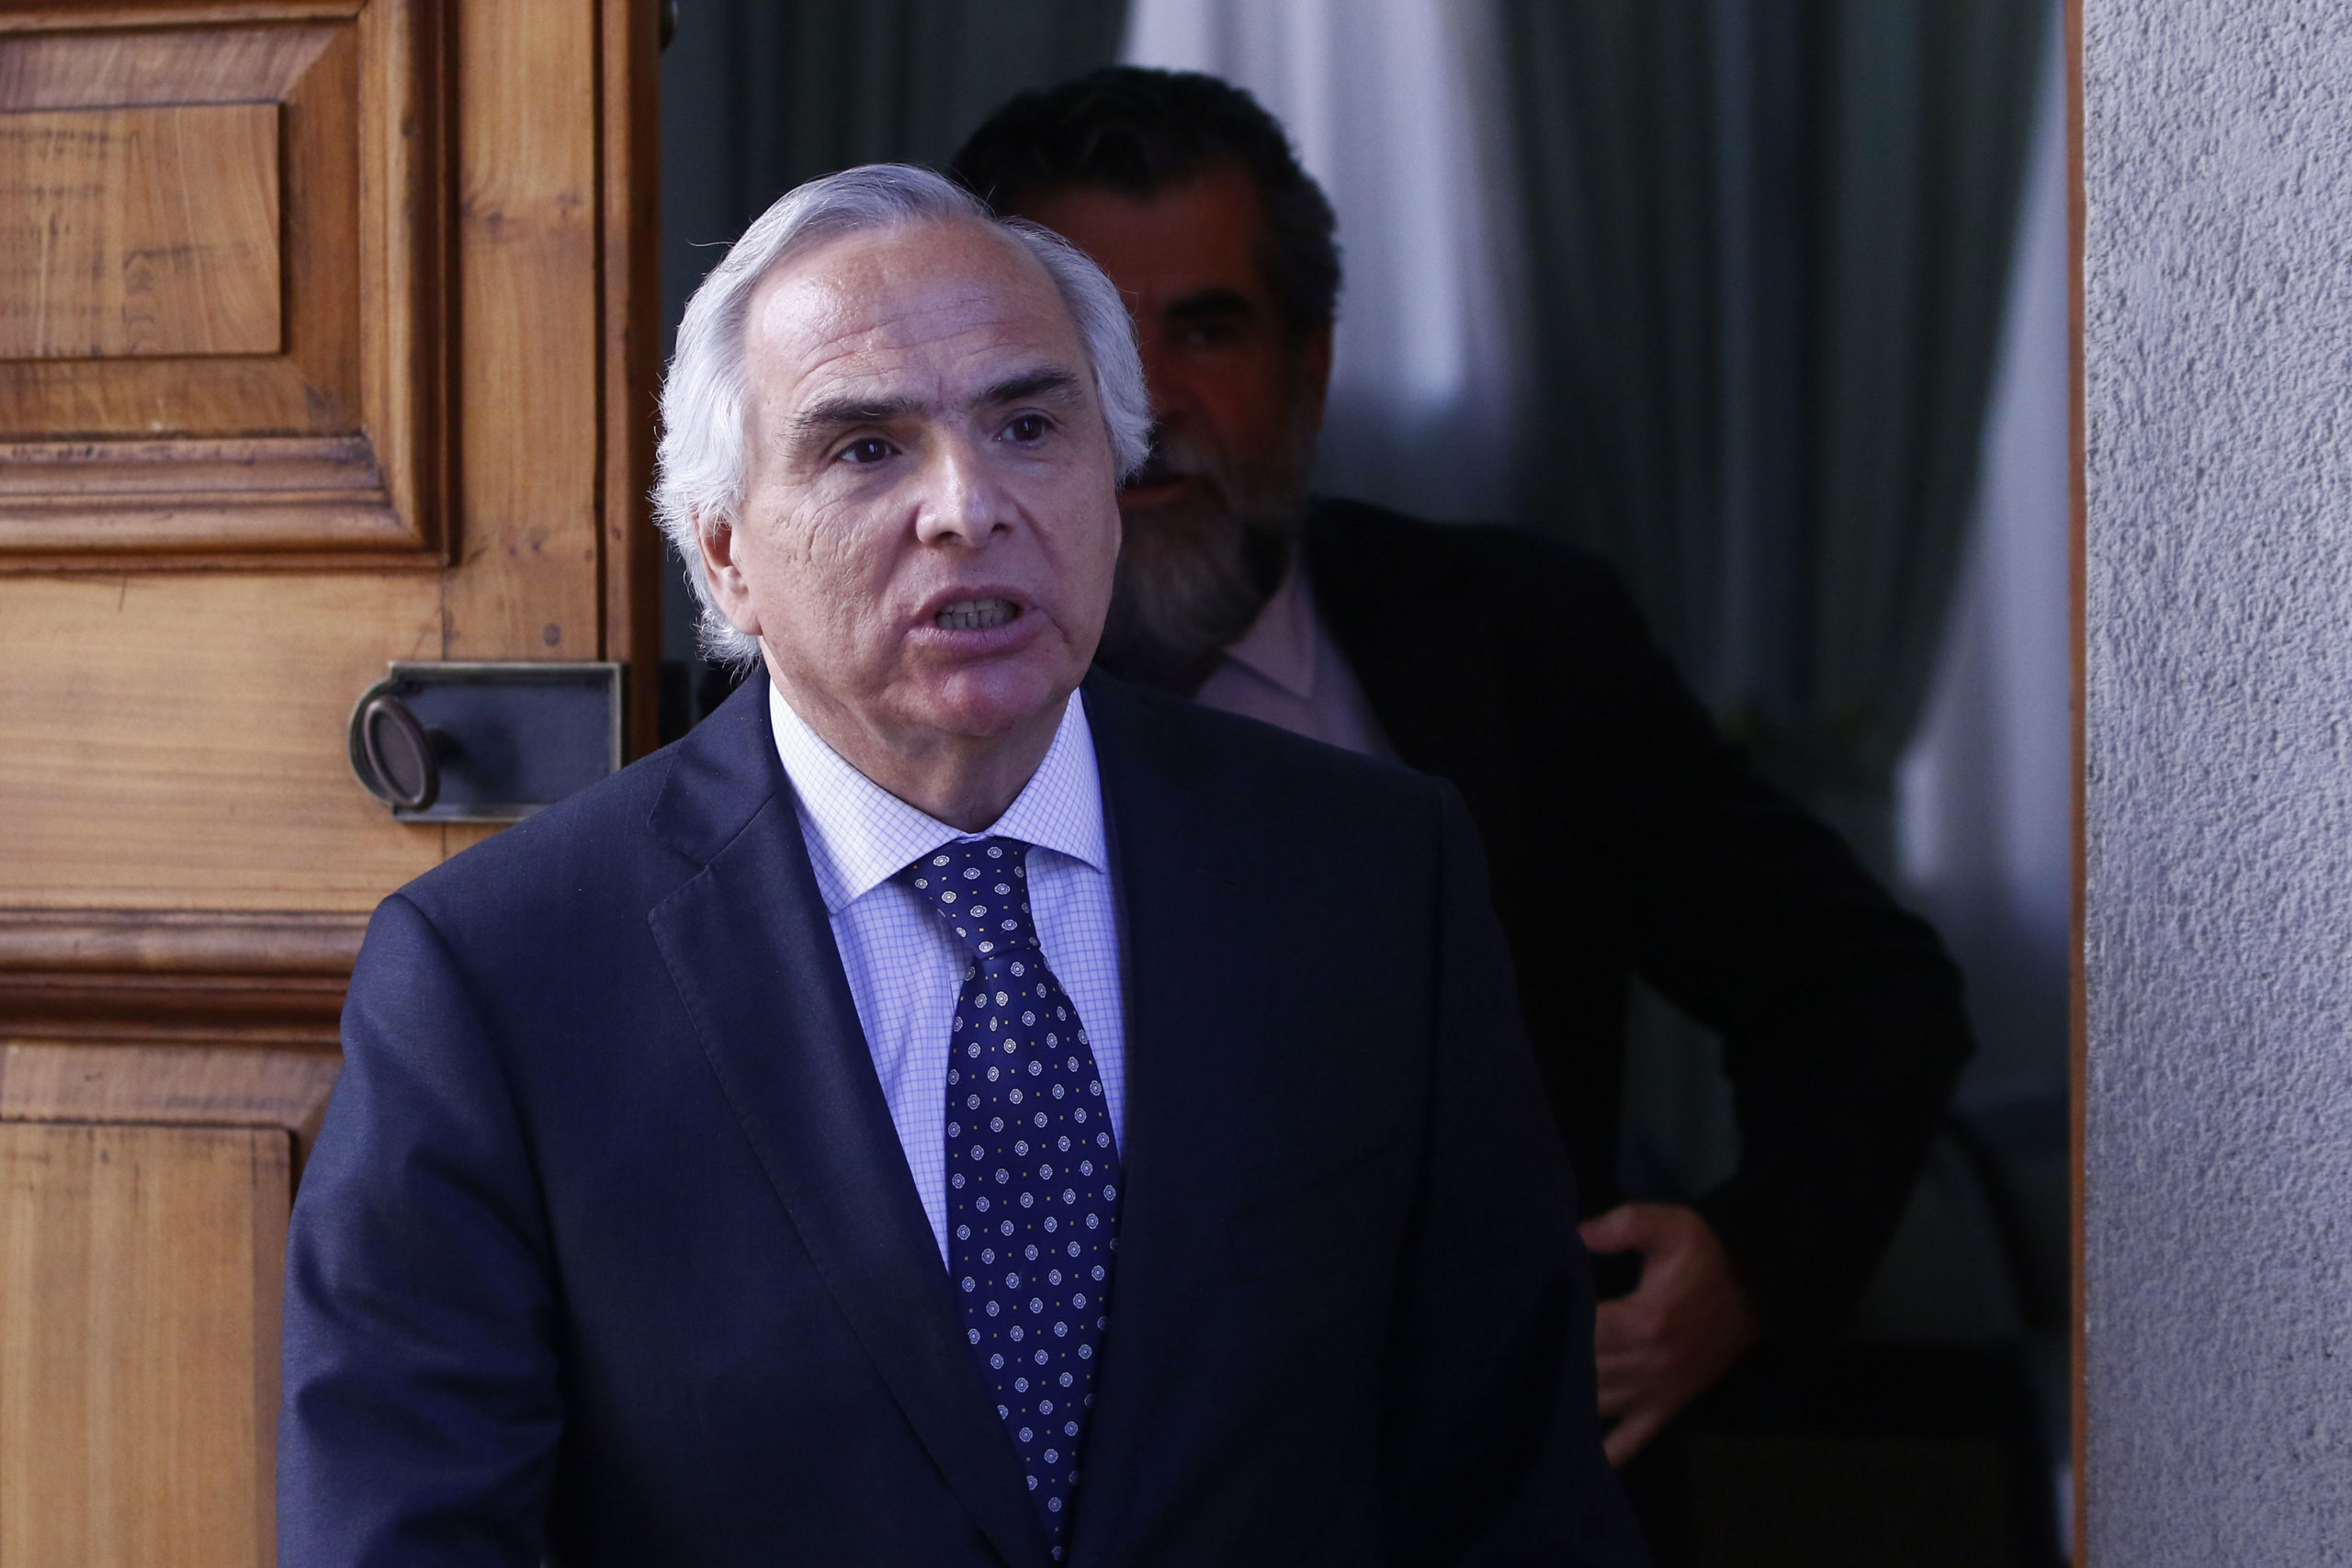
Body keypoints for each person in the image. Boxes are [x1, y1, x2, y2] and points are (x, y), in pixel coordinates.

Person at [278, 164, 1647, 1566]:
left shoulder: (1371, 880)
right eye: (867, 448)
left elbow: (1513, 1492)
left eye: (1028, 426)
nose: (966, 506)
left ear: (1112, 485)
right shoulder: (501, 978)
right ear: (728, 555)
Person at [950, 68, 1973, 1472]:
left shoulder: (1524, 647)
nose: (1149, 404)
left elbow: (1864, 993)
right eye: (1086, 341)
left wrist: (1746, 1272)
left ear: (1309, 369)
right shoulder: (895, 691)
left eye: (1206, 329)